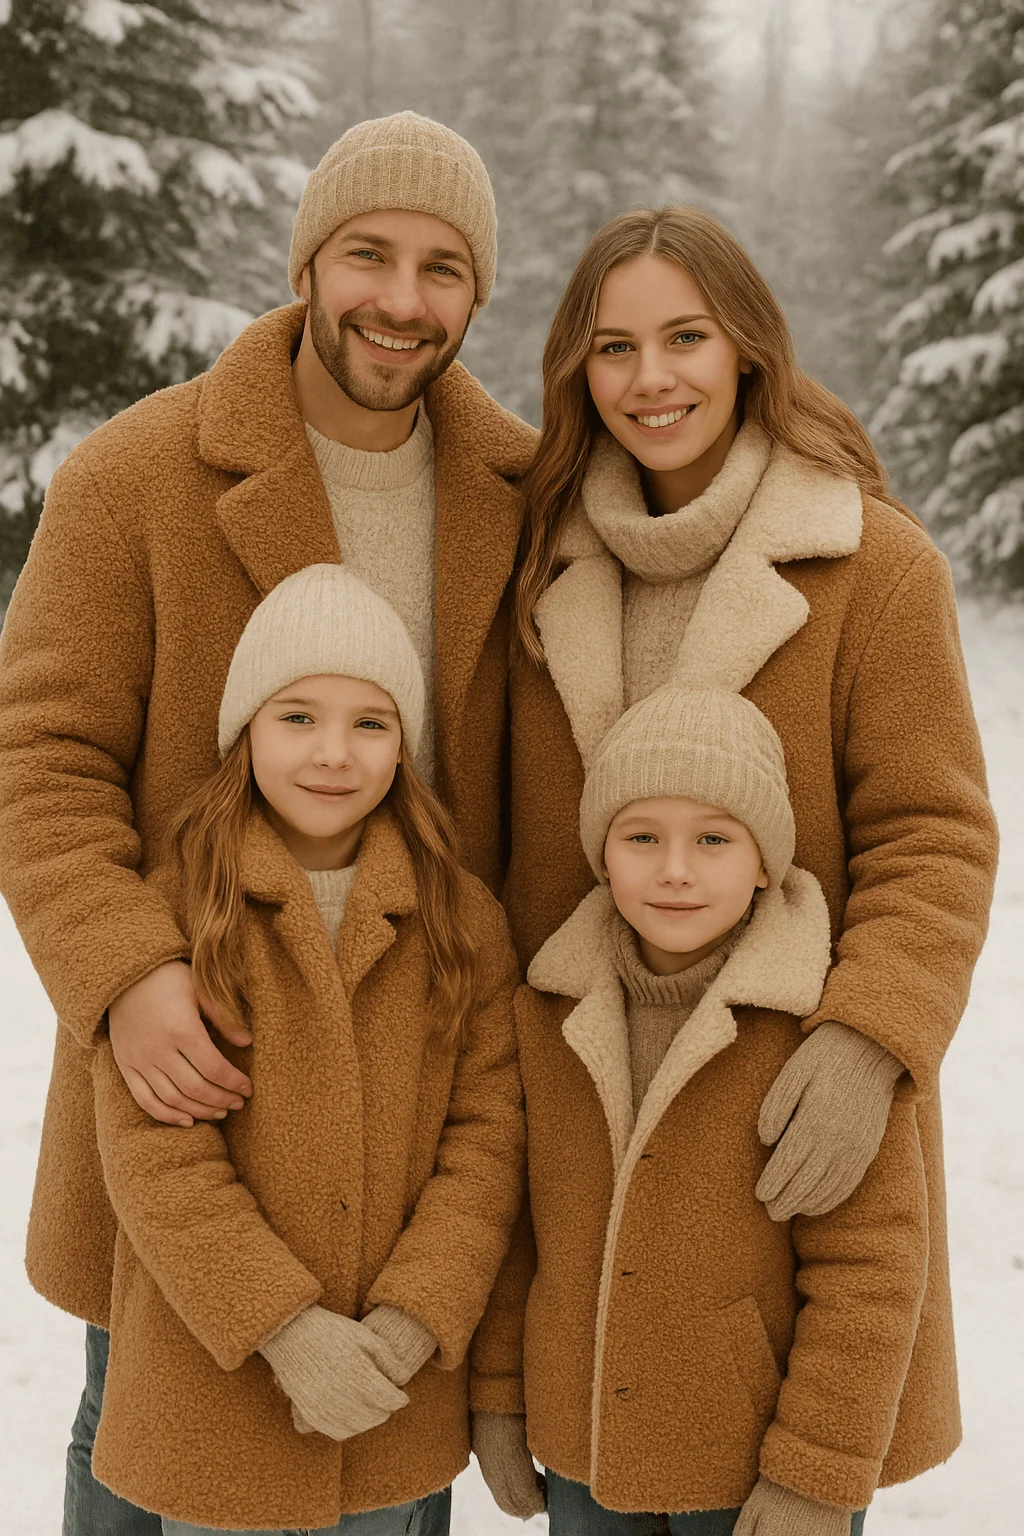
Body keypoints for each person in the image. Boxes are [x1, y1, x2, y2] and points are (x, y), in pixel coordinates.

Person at [0, 113, 534, 1532]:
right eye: (368, 254)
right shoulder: (138, 475)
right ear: (308, 261)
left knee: (383, 1457)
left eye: (443, 268)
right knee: (141, 1430)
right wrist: (126, 975)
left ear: (479, 292)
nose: (402, 301)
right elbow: (39, 753)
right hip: (197, 1069)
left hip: (413, 1102)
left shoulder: (526, 496)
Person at [475, 205, 997, 1514]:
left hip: (781, 1133)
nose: (653, 379)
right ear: (576, 374)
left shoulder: (872, 569)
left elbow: (934, 836)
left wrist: (870, 1035)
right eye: (614, 347)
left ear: (749, 349)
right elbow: (526, 870)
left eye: (686, 338)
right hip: (587, 1154)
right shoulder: (541, 574)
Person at [83, 563, 524, 1533]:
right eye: (297, 718)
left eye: (370, 723)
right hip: (219, 1398)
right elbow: (160, 1163)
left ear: (405, 743)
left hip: (387, 1393)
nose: (333, 753)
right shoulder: (177, 915)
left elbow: (487, 1142)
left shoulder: (462, 922)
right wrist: (283, 1330)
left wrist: (412, 1321)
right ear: (245, 731)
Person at [474, 683, 927, 1534]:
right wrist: (499, 1396)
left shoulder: (815, 1030)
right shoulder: (546, 1012)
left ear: (765, 860)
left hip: (749, 1465)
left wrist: (816, 1477)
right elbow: (513, 1229)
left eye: (714, 839)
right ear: (602, 854)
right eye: (642, 837)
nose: (675, 868)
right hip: (585, 1452)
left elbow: (870, 1272)